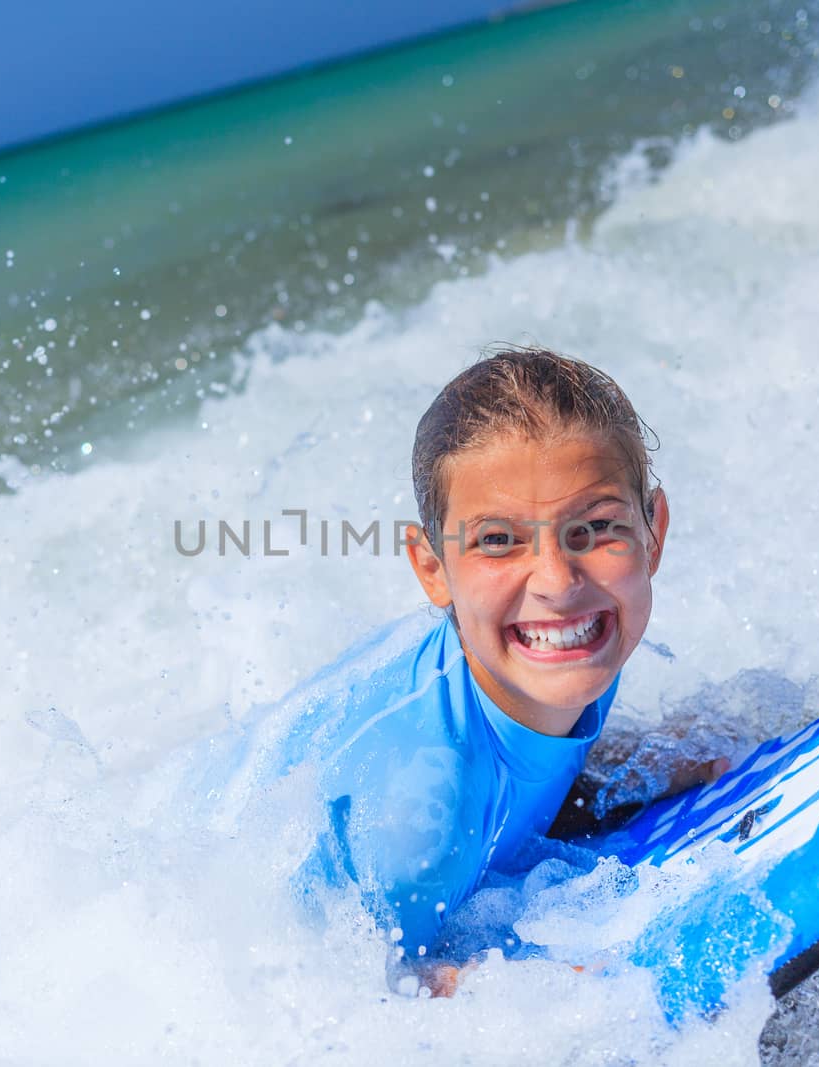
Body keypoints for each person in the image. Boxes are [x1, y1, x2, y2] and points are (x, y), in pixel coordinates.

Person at [286, 345, 726, 996]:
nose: (557, 581)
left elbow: (511, 786)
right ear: (433, 569)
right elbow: (344, 987)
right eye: (498, 540)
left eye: (596, 527)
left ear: (652, 533)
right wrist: (532, 994)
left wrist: (639, 769)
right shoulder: (425, 811)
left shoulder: (556, 649)